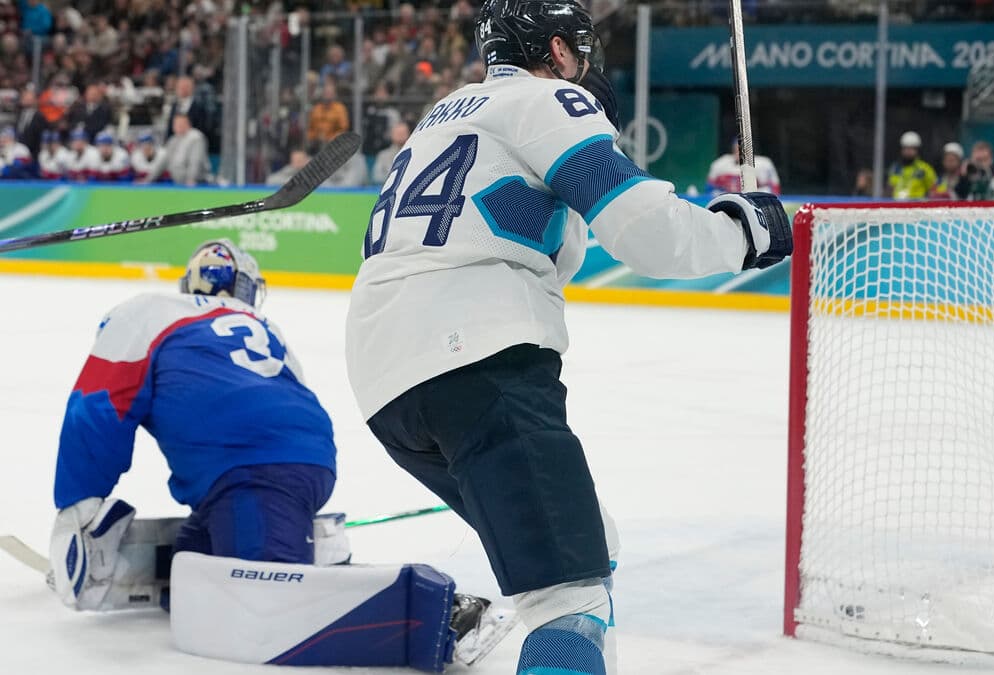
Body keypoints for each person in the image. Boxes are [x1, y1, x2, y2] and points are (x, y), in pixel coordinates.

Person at [345, 2, 792, 674]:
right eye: (580, 51)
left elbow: (545, 240)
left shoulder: (448, 114)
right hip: (475, 358)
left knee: (591, 544)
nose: (586, 66)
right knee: (569, 601)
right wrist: (741, 233)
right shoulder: (548, 98)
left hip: (387, 382)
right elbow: (642, 229)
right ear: (556, 51)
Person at [49, 240, 510, 671]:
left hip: (252, 471)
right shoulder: (264, 328)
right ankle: (282, 541)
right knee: (192, 582)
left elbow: (98, 405)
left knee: (257, 606)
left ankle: (438, 614)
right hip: (287, 463)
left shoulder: (148, 310)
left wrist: (81, 503)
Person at [706, 137, 782, 195]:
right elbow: (710, 188)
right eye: (737, 149)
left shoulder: (763, 164)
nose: (739, 152)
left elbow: (774, 189)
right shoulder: (721, 163)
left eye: (743, 149)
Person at [154, 113, 208, 186]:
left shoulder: (196, 137)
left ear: (188, 124)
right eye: (176, 124)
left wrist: (191, 180)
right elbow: (163, 162)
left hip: (197, 183)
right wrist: (147, 180)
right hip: (179, 183)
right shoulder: (173, 140)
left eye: (181, 123)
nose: (178, 126)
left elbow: (195, 161)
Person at [887, 131, 937, 200]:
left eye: (911, 148)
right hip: (896, 205)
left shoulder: (925, 169)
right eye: (905, 148)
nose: (908, 151)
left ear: (917, 150)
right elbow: (890, 188)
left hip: (917, 207)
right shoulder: (895, 168)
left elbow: (933, 190)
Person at [307, 80, 350, 146]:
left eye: (330, 93)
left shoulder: (340, 108)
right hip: (316, 143)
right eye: (326, 93)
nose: (328, 95)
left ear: (334, 95)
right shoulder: (316, 108)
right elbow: (310, 128)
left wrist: (332, 138)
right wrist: (312, 137)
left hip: (333, 144)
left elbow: (343, 129)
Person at [14, 87, 48, 159]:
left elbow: (39, 137)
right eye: (23, 97)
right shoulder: (19, 114)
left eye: (27, 98)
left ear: (34, 100)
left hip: (33, 154)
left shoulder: (40, 117)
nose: (24, 100)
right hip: (18, 152)